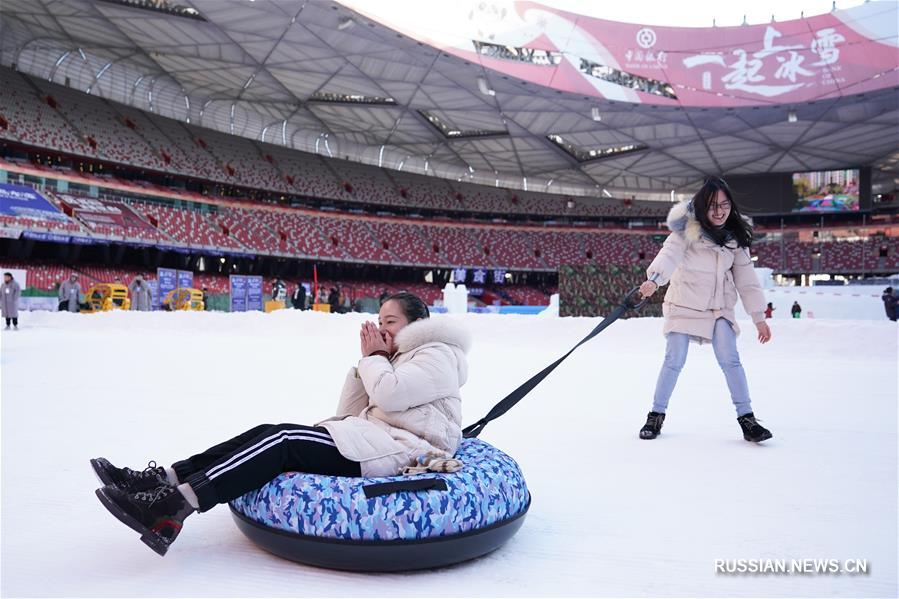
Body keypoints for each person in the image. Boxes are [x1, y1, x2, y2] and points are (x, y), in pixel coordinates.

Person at [91, 292, 470, 556]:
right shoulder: (398, 356)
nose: (382, 328)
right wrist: (366, 364)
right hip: (374, 436)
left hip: (401, 450)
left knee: (283, 440)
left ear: (417, 324)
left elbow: (388, 396)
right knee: (266, 432)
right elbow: (351, 412)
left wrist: (375, 359)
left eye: (391, 321)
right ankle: (163, 481)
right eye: (380, 320)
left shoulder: (436, 354)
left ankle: (172, 510)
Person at [637, 177, 773, 443]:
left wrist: (759, 317)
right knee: (674, 360)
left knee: (730, 359)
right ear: (701, 207)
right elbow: (668, 256)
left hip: (717, 308)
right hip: (684, 305)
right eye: (712, 206)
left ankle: (748, 420)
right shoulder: (685, 231)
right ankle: (655, 415)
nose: (719, 211)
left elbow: (747, 281)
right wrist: (653, 281)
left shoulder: (736, 239)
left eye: (724, 205)